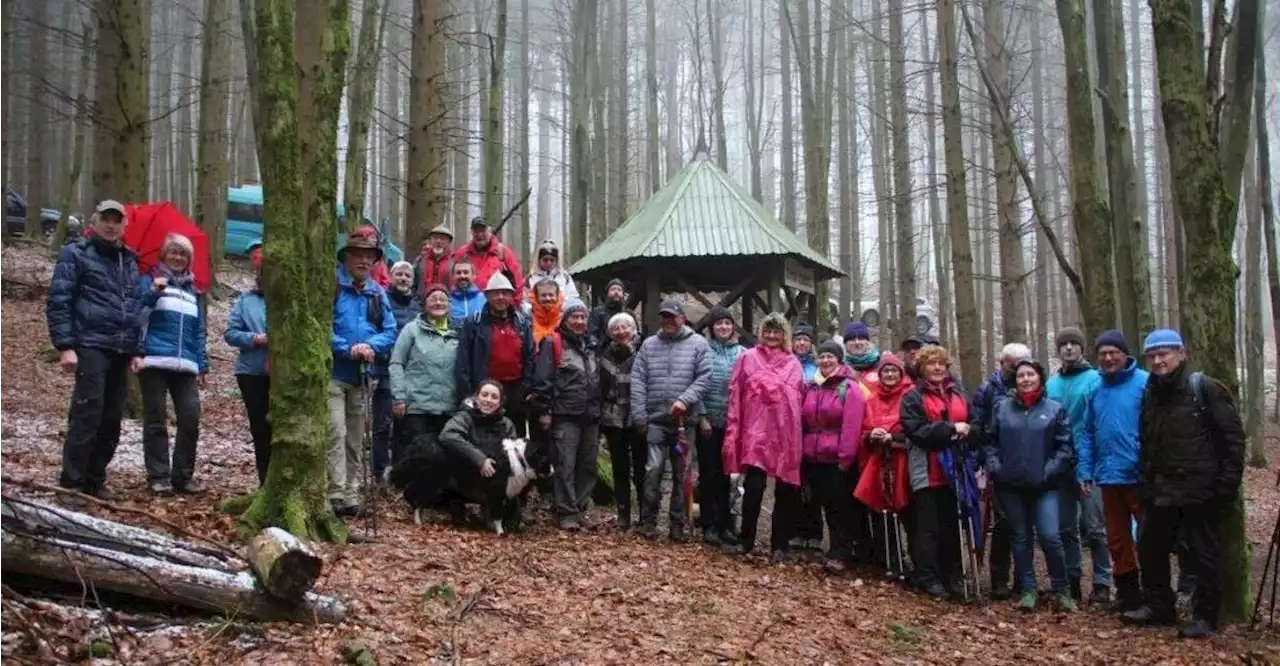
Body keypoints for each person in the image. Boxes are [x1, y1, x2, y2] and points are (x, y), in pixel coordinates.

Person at [1124, 329, 1245, 639]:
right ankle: (1159, 606)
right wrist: (1145, 482)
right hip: (1159, 490)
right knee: (1150, 547)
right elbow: (1148, 440)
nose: (1158, 360)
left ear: (1181, 353)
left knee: (1202, 553)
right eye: (1152, 355)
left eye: (1164, 353)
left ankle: (1206, 616)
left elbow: (1232, 440)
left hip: (1199, 490)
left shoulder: (1203, 388)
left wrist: (1225, 487)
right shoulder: (1151, 393)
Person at [47, 200, 142, 502]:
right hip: (89, 344)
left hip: (121, 348)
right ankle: (71, 483)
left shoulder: (129, 260)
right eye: (106, 220)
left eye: (117, 221)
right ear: (95, 221)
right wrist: (65, 346)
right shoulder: (76, 253)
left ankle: (95, 479)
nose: (111, 226)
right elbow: (59, 300)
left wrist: (137, 348)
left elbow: (135, 307)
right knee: (87, 412)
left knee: (112, 417)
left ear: (124, 225)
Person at [983, 358, 1078, 612]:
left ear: (1040, 378)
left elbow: (1065, 447)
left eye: (1031, 375)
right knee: (1020, 538)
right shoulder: (1002, 409)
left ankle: (1062, 589)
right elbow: (990, 441)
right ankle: (1028, 590)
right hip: (1010, 486)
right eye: (1021, 375)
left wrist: (1048, 471)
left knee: (1050, 536)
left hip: (1044, 486)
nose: (1026, 379)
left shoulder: (1055, 409)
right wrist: (995, 466)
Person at [722, 313, 805, 561]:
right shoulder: (747, 358)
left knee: (785, 491)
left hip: (784, 434)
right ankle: (746, 538)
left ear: (784, 335)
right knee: (754, 487)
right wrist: (735, 430)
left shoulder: (793, 364)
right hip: (756, 433)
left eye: (776, 332)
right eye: (767, 331)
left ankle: (779, 544)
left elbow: (796, 400)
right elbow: (736, 394)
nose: (771, 336)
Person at [630, 299, 712, 542]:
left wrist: (685, 400)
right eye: (664, 317)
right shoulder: (649, 345)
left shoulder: (698, 344)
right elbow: (638, 380)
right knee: (652, 470)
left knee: (681, 474)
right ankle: (648, 520)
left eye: (672, 317)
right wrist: (639, 415)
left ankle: (677, 523)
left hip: (684, 423)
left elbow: (705, 377)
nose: (668, 322)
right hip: (655, 419)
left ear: (682, 319)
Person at [329, 231, 398, 517]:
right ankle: (334, 492)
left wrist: (370, 346)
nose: (364, 261)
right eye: (358, 255)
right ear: (346, 257)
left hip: (362, 376)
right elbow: (322, 326)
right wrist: (347, 348)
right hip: (334, 373)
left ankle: (351, 493)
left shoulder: (377, 294)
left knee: (356, 437)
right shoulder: (333, 288)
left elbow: (390, 330)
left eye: (369, 257)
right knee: (335, 431)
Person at [136, 233, 208, 496]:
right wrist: (152, 292)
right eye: (173, 252)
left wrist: (202, 364)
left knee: (190, 417)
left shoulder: (195, 292)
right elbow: (136, 314)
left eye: (183, 254)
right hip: (153, 360)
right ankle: (158, 475)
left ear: (189, 260)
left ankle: (183, 475)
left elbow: (199, 330)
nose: (177, 257)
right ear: (163, 255)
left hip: (186, 363)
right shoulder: (149, 282)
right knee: (155, 419)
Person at [1045, 326, 1112, 605]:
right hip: (1060, 463)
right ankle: (1072, 579)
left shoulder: (1096, 380)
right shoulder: (1050, 384)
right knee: (1065, 527)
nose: (1069, 348)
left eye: (1074, 343)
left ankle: (1102, 582)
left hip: (1090, 464)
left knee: (1095, 526)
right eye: (1064, 344)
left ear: (1082, 348)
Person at [900, 345, 973, 599]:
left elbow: (972, 423)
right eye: (932, 364)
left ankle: (951, 574)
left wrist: (968, 432)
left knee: (952, 524)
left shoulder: (958, 393)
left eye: (942, 363)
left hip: (956, 470)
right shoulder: (912, 397)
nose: (938, 368)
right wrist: (951, 429)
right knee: (928, 526)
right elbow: (917, 432)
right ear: (922, 368)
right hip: (927, 469)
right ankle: (928, 577)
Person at [1086, 329, 1148, 613]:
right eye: (1103, 354)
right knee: (1117, 540)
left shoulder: (1144, 384)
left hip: (1140, 476)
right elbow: (1087, 433)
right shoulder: (1096, 389)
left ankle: (1155, 595)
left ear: (1125, 355)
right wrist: (1086, 470)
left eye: (1114, 353)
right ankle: (1128, 596)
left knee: (1148, 537)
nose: (1109, 358)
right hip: (1108, 476)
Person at [530, 299, 599, 530]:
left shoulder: (592, 345)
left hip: (590, 414)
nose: (579, 321)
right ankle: (566, 512)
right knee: (565, 465)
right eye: (574, 317)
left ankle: (578, 507)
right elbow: (543, 379)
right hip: (564, 414)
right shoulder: (553, 342)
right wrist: (544, 410)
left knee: (588, 466)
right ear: (565, 319)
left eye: (582, 317)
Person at [799, 339, 867, 571]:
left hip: (837, 459)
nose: (826, 360)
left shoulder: (849, 388)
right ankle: (827, 549)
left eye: (831, 357)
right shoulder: (811, 386)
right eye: (822, 356)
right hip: (813, 456)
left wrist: (845, 458)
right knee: (819, 504)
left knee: (839, 508)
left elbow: (852, 426)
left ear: (839, 360)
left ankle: (841, 551)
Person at [971, 341, 1032, 599]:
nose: (1018, 369)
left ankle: (1024, 579)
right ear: (1002, 364)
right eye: (1012, 364)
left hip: (1028, 466)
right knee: (1003, 524)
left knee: (1027, 524)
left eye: (1022, 364)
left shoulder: (1034, 387)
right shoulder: (987, 390)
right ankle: (998, 579)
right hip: (996, 466)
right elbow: (978, 427)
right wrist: (984, 462)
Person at [435, 380, 524, 533]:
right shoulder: (464, 417)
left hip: (494, 480)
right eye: (485, 395)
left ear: (501, 402)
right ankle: (454, 504)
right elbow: (447, 435)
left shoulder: (507, 424)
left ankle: (498, 513)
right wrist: (479, 460)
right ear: (476, 397)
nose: (488, 400)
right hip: (464, 476)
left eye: (494, 397)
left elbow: (512, 454)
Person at [389, 283, 459, 468]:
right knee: (421, 457)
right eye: (433, 299)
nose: (438, 303)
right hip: (417, 407)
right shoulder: (411, 330)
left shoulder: (459, 331)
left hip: (449, 407)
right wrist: (399, 397)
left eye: (443, 299)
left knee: (445, 458)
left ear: (450, 304)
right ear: (424, 304)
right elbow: (396, 363)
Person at [856, 352, 913, 575]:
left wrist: (895, 438)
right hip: (879, 461)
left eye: (893, 371)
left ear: (901, 374)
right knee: (880, 512)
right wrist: (872, 435)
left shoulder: (910, 396)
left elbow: (914, 428)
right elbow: (863, 430)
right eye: (886, 371)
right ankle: (889, 559)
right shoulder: (871, 399)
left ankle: (914, 560)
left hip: (904, 462)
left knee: (907, 510)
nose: (889, 375)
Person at [457, 273, 535, 437]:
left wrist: (525, 389)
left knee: (515, 438)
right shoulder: (474, 322)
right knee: (485, 436)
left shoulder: (522, 322)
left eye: (505, 293)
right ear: (487, 296)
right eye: (496, 293)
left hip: (515, 391)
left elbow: (529, 358)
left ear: (511, 296)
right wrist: (469, 393)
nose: (501, 297)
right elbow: (463, 360)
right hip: (485, 390)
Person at [698, 306, 745, 547]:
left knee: (729, 476)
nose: (723, 327)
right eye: (719, 324)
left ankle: (727, 524)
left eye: (727, 323)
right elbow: (695, 383)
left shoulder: (743, 353)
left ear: (733, 327)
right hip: (708, 422)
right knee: (709, 473)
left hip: (734, 424)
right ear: (711, 328)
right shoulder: (703, 350)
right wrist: (702, 416)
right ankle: (709, 524)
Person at [371, 261, 421, 482]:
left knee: (405, 426)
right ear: (390, 277)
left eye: (407, 275)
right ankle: (380, 470)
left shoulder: (418, 306)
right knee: (382, 424)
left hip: (413, 374)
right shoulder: (380, 301)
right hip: (386, 371)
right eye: (399, 274)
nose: (403, 279)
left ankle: (401, 471)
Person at [225, 248, 270, 485]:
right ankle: (265, 482)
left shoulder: (290, 302)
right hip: (252, 372)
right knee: (260, 429)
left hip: (283, 376)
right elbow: (230, 333)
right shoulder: (246, 301)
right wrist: (255, 339)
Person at [599, 312, 643, 529]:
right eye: (615, 328)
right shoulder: (605, 355)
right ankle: (623, 512)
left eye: (625, 327)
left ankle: (645, 513)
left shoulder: (643, 352)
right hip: (613, 417)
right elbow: (601, 387)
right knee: (620, 466)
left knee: (641, 465)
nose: (621, 331)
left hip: (638, 416)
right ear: (610, 333)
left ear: (633, 329)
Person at [452, 216, 524, 305]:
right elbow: (453, 281)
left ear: (490, 231)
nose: (479, 235)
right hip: (467, 306)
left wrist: (513, 306)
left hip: (497, 308)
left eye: (483, 230)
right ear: (472, 233)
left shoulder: (503, 252)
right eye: (476, 231)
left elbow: (518, 282)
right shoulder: (463, 253)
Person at [524, 239, 579, 306]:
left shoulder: (565, 277)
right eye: (545, 260)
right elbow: (525, 300)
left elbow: (573, 298)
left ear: (556, 261)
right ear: (539, 260)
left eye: (552, 260)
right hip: (536, 314)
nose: (548, 263)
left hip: (561, 314)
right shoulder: (530, 278)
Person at [413, 223, 455, 294]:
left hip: (446, 302)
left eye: (442, 238)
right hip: (421, 302)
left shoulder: (454, 261)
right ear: (430, 241)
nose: (438, 241)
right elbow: (413, 282)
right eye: (435, 238)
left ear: (449, 242)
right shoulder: (420, 260)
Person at [588, 278, 631, 344]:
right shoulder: (597, 312)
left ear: (623, 294)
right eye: (613, 289)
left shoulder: (629, 314)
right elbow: (592, 334)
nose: (616, 292)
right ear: (607, 293)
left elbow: (636, 334)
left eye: (619, 290)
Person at [448, 259, 486, 323]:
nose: (462, 276)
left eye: (466, 272)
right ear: (453, 276)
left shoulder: (484, 299)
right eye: (458, 273)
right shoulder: (447, 300)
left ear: (474, 275)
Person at [529, 278, 564, 344]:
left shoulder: (564, 319)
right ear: (536, 297)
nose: (547, 298)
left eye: (551, 295)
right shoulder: (527, 318)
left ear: (557, 296)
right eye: (543, 295)